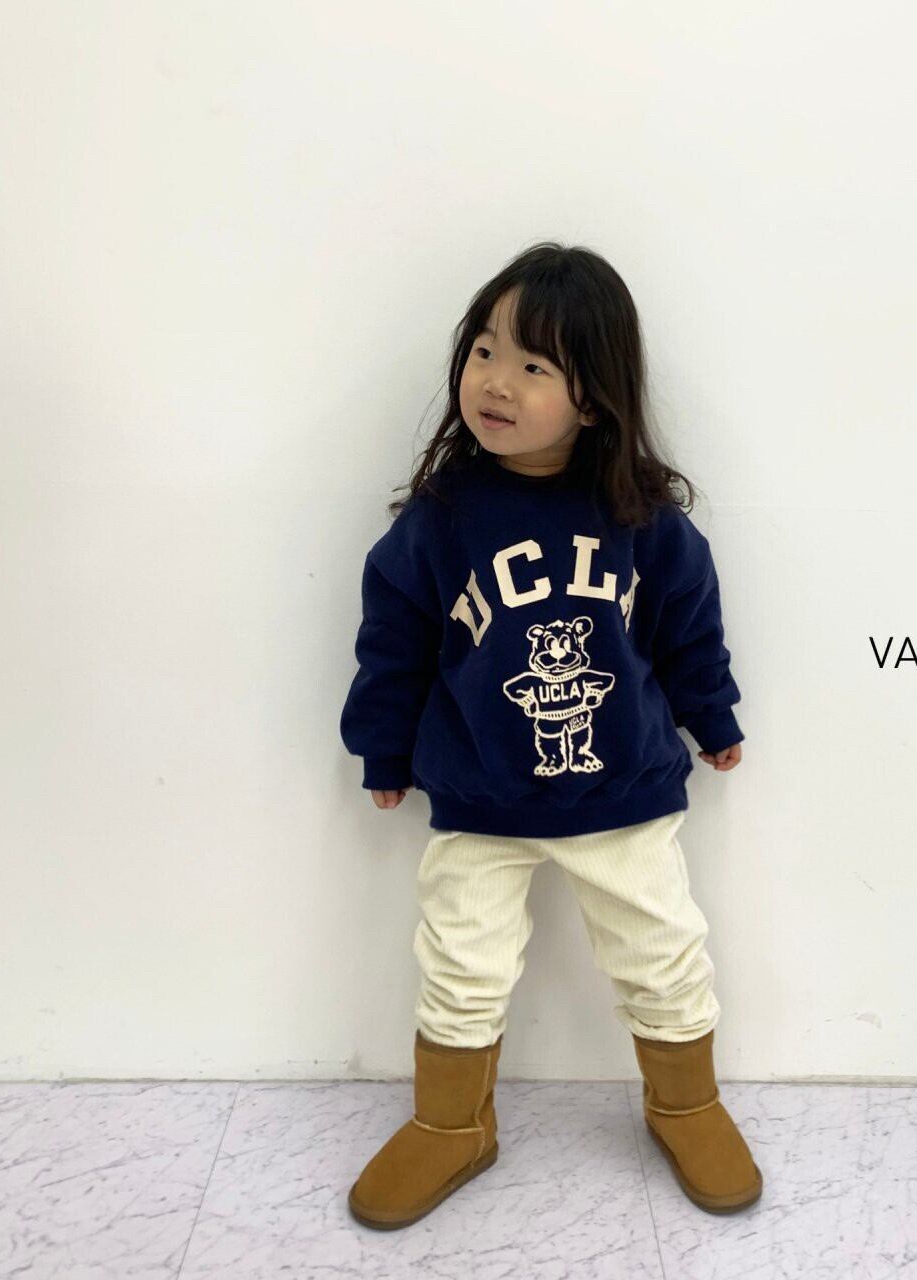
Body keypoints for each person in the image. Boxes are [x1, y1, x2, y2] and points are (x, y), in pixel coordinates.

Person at [339, 241, 762, 1230]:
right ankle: (451, 1123)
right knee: (460, 963)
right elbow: (393, 641)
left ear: (595, 398)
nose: (495, 381)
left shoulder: (641, 518)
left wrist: (711, 715)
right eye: (484, 349)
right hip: (479, 792)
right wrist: (382, 748)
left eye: (533, 365)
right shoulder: (440, 521)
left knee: (662, 951)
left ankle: (684, 1102)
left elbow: (687, 626)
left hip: (622, 791)